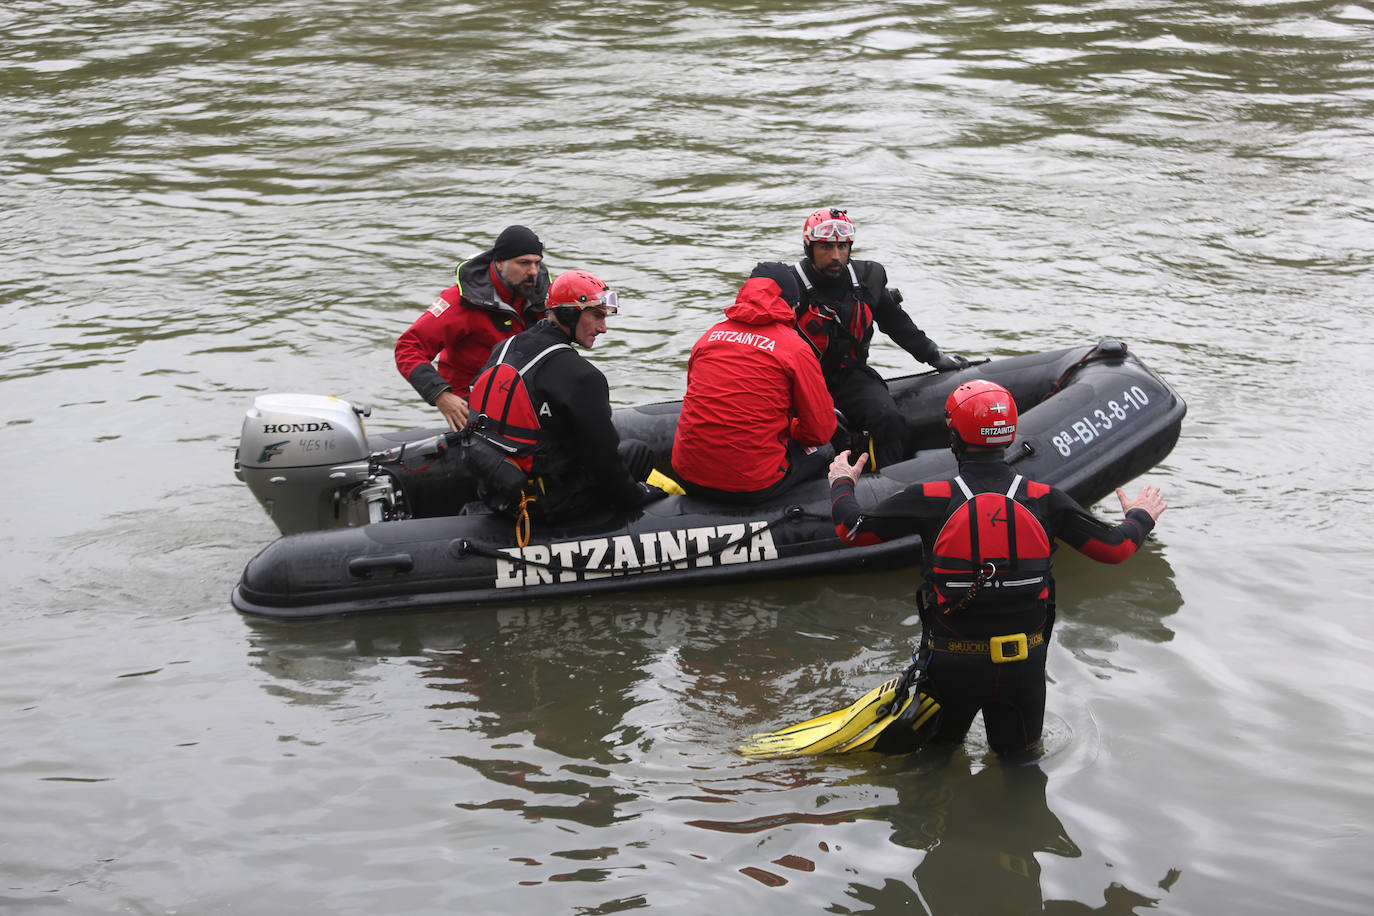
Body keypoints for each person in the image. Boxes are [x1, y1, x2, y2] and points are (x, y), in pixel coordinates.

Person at [827, 379, 1167, 758]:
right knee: (1021, 764)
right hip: (1023, 667)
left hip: (952, 664)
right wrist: (1140, 517)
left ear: (952, 434)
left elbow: (850, 529)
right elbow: (1116, 548)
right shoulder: (1045, 498)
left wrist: (842, 482)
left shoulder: (929, 497)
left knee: (935, 763)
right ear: (1009, 435)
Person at [462, 269, 663, 525]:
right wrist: (640, 495)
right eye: (597, 316)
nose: (603, 328)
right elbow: (606, 460)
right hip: (545, 505)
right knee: (638, 452)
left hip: (496, 490)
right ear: (569, 313)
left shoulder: (505, 347)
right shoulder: (583, 377)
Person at [791, 207, 970, 469]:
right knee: (812, 438)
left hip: (850, 376)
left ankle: (886, 483)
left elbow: (897, 324)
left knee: (889, 421)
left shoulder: (867, 280)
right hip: (800, 384)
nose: (836, 256)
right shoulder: (789, 285)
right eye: (826, 248)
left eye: (842, 247)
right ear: (810, 248)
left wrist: (935, 356)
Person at [671, 262, 837, 504]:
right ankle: (811, 521)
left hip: (687, 474)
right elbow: (820, 431)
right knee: (824, 450)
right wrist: (790, 427)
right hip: (752, 484)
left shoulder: (709, 337)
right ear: (792, 305)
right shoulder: (794, 347)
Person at [395, 225, 551, 431]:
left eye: (537, 263)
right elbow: (408, 347)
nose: (533, 272)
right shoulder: (460, 301)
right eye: (523, 263)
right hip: (472, 402)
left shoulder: (542, 292)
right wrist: (441, 395)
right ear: (499, 263)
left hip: (524, 393)